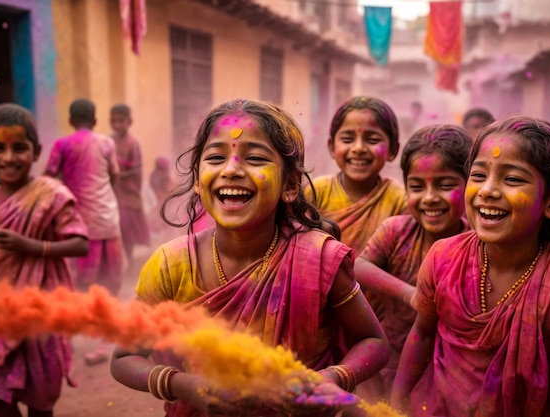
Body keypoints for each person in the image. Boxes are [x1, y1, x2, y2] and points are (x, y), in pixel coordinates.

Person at [110, 99, 390, 417]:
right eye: (216, 157)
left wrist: (331, 379)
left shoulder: (320, 259)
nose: (231, 170)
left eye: (255, 158)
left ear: (290, 185)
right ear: (199, 181)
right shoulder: (170, 265)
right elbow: (123, 359)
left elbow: (374, 341)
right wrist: (185, 386)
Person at [391, 116, 550, 417]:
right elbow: (423, 335)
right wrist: (396, 403)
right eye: (478, 175)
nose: (487, 191)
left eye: (513, 179)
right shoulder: (442, 258)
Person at [353, 125, 472, 396]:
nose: (430, 198)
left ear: (470, 185)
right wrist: (410, 294)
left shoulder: (475, 244)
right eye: (417, 186)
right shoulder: (396, 230)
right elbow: (359, 267)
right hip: (390, 356)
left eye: (445, 185)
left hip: (447, 369)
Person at [0, 103, 89, 417]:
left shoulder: (51, 195)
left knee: (39, 403)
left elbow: (80, 243)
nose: (8, 158)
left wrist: (31, 246)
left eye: (19, 148)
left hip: (40, 313)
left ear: (36, 152)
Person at [44, 98, 123, 365]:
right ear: (95, 120)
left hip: (78, 224)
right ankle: (106, 338)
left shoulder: (62, 144)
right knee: (110, 281)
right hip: (107, 219)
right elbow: (114, 175)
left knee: (75, 281)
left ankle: (66, 337)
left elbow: (48, 177)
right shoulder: (106, 143)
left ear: (70, 120)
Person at [307, 96, 407, 257]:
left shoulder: (399, 199)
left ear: (393, 150)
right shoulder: (316, 192)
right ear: (332, 147)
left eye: (372, 140)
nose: (359, 148)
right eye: (347, 139)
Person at [110, 104, 151, 262]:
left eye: (121, 121)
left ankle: (130, 259)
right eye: (114, 121)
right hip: (113, 191)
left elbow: (136, 170)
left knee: (127, 229)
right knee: (115, 229)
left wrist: (118, 174)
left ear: (129, 122)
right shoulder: (109, 140)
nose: (117, 125)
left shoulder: (132, 143)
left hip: (128, 194)